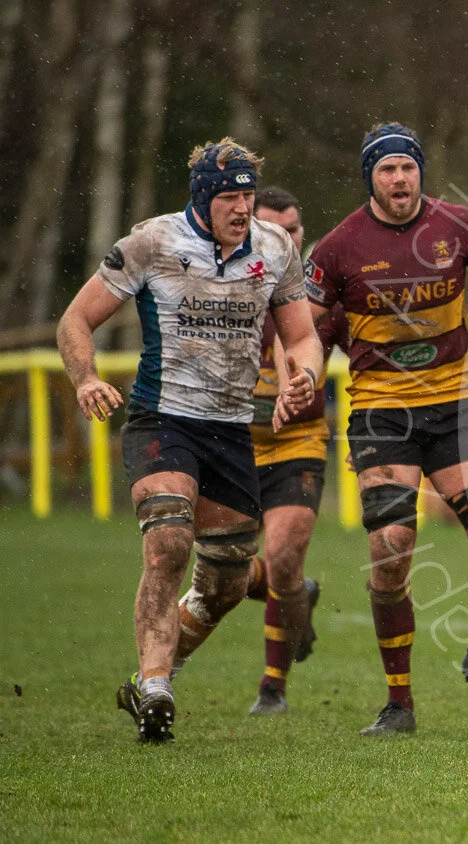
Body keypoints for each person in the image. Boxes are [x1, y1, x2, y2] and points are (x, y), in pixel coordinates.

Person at [56, 138, 319, 742]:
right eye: (230, 196)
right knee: (169, 541)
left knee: (224, 582)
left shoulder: (275, 247)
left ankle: (155, 672)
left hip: (230, 428)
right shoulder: (151, 242)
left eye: (249, 196)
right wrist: (86, 377)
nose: (242, 208)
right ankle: (155, 687)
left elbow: (300, 336)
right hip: (162, 419)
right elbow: (77, 318)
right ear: (203, 198)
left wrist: (300, 374)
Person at [304, 123, 468, 735]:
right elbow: (302, 327)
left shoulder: (459, 225)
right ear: (370, 179)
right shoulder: (337, 249)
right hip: (382, 413)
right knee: (390, 551)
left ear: (420, 173)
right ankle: (399, 703)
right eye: (387, 170)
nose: (399, 178)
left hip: (456, 407)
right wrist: (300, 375)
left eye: (407, 167)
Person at [240, 186, 337, 715]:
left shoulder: (321, 291)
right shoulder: (220, 283)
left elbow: (365, 354)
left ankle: (272, 690)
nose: (282, 238)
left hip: (297, 442)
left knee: (280, 556)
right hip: (228, 444)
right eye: (269, 227)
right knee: (222, 570)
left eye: (293, 229)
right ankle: (298, 598)